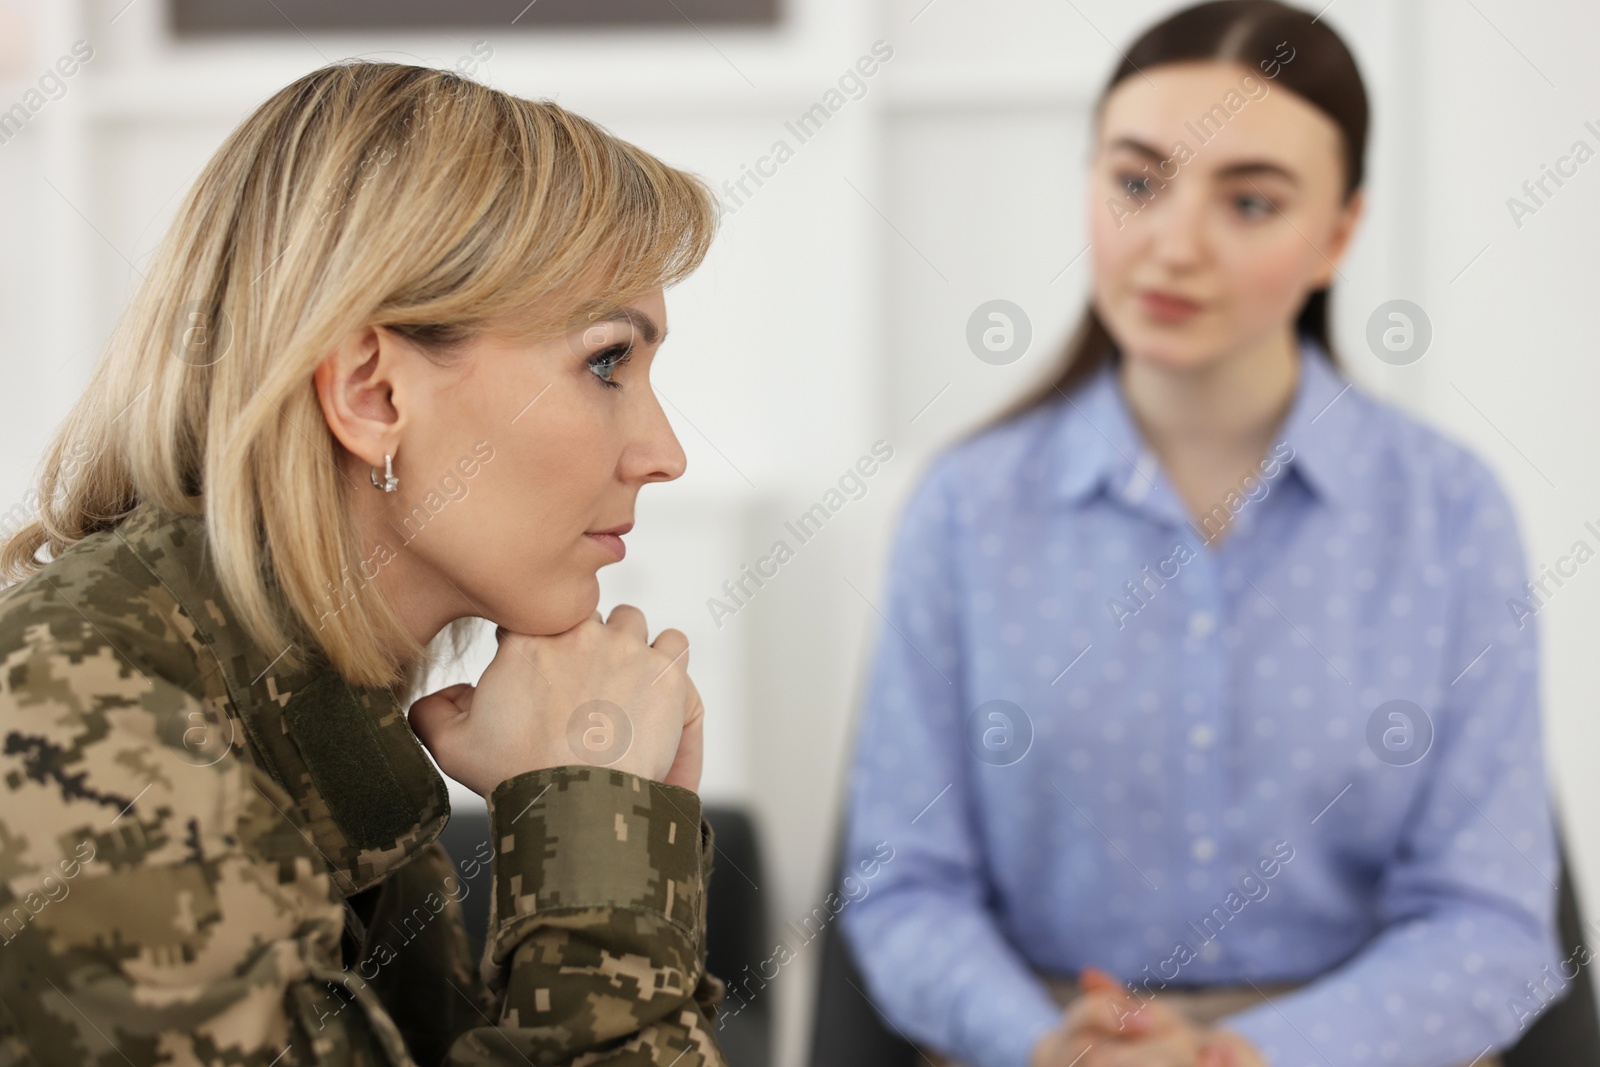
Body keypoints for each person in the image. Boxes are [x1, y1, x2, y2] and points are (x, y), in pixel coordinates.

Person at [836, 4, 1562, 1067]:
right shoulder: (965, 508)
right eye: (1136, 182)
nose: (1173, 243)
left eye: (1251, 201)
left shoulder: (1448, 510)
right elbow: (904, 887)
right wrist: (1047, 1042)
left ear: (1339, 235)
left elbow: (1490, 920)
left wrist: (1247, 1053)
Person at [0, 61, 728, 1066]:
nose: (664, 452)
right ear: (373, 397)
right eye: (606, 360)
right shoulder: (82, 725)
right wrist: (593, 842)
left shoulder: (311, 704)